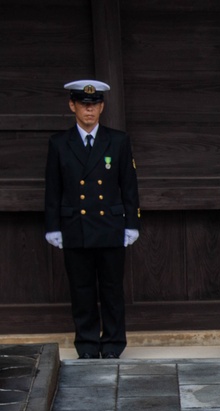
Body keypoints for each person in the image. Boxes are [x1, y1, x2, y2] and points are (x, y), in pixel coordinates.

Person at [44, 80, 140, 359]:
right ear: (72, 105)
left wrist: (131, 223)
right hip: (75, 225)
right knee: (82, 289)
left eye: (95, 105)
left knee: (111, 289)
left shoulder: (118, 140)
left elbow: (129, 186)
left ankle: (112, 344)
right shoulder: (60, 143)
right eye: (84, 105)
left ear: (102, 107)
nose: (89, 110)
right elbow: (53, 187)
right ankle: (86, 345)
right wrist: (53, 226)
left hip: (110, 226)